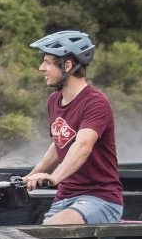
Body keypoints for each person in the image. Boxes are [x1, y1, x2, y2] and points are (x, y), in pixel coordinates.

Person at [24, 30, 123, 225]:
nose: (41, 68)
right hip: (65, 198)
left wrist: (54, 178)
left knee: (50, 230)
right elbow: (59, 144)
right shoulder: (54, 101)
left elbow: (82, 146)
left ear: (67, 65)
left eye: (47, 62)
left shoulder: (95, 102)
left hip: (100, 199)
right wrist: (28, 178)